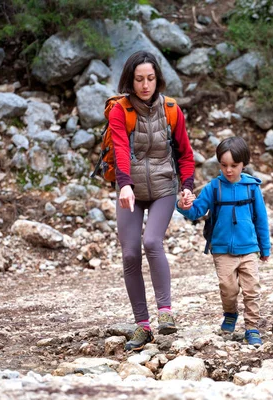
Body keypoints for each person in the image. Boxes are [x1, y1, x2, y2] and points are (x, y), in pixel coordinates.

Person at [110, 51, 195, 351]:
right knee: (130, 254)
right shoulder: (120, 111)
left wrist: (187, 186)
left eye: (150, 78)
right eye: (139, 79)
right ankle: (142, 325)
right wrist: (124, 185)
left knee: (152, 242)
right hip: (130, 191)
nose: (145, 85)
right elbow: (120, 149)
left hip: (162, 189)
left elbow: (184, 152)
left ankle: (166, 313)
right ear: (130, 80)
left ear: (158, 79)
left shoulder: (172, 110)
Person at [176, 136, 270, 346]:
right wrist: (184, 205)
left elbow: (261, 220)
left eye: (234, 166)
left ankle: (252, 328)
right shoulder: (213, 187)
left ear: (243, 164)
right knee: (228, 289)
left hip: (248, 248)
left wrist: (265, 248)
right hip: (222, 250)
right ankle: (230, 313)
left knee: (252, 289)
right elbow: (197, 210)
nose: (229, 170)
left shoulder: (252, 188)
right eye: (224, 165)